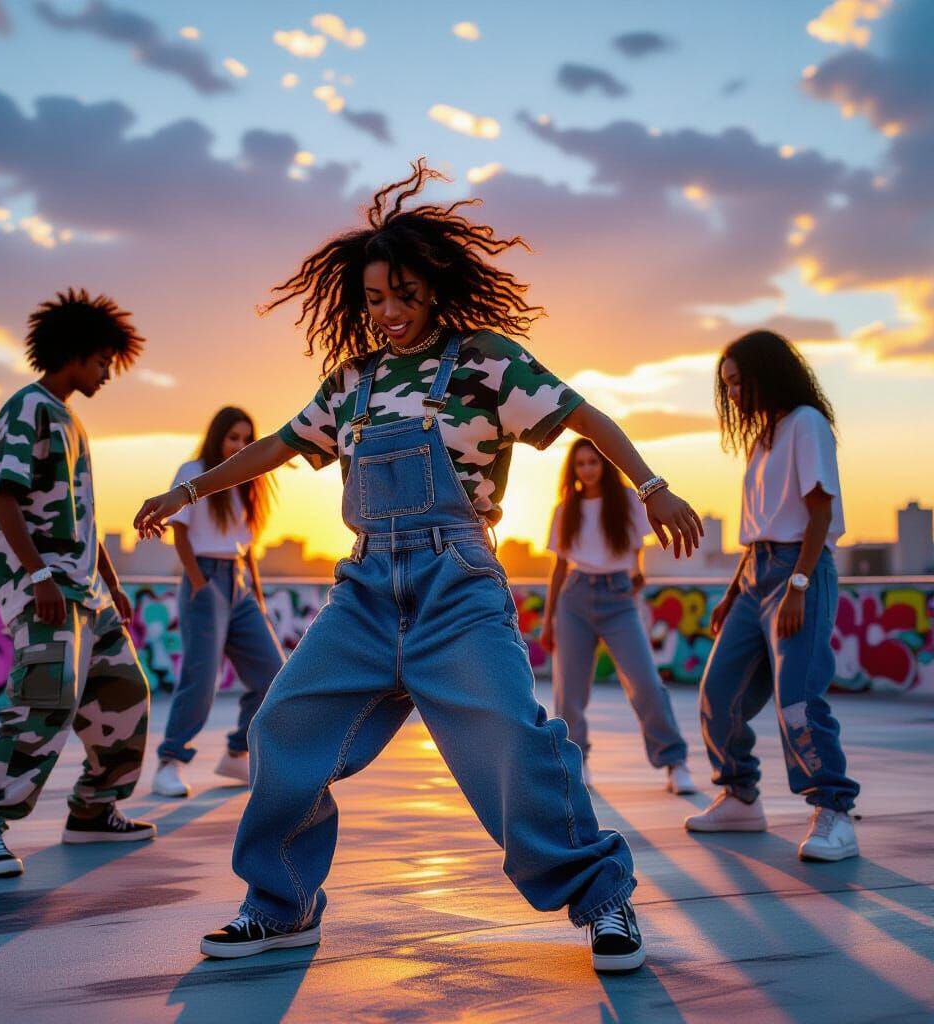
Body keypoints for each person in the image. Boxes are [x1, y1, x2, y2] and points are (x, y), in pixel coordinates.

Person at [134, 161, 703, 972]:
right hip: (364, 591)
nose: (388, 314)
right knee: (281, 726)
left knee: (512, 742)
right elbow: (278, 445)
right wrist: (188, 488)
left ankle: (603, 899)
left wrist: (651, 486)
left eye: (402, 295)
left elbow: (584, 414)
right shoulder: (353, 382)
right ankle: (282, 904)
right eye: (373, 300)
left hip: (456, 589)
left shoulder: (485, 361)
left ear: (433, 286)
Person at [0, 289, 155, 878]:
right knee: (45, 704)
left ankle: (93, 812)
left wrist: (112, 584)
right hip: (44, 589)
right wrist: (38, 572)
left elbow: (82, 519)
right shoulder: (29, 409)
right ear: (77, 354)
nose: (106, 376)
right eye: (103, 364)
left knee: (125, 696)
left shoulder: (71, 419)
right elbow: (3, 499)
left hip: (87, 592)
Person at [684, 330, 860, 862]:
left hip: (797, 570)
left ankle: (833, 811)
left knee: (798, 700)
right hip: (754, 573)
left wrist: (799, 586)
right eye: (727, 386)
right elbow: (759, 525)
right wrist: (732, 590)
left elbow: (820, 514)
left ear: (766, 372)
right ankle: (739, 796)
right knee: (718, 693)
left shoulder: (807, 423)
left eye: (738, 382)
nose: (732, 394)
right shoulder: (764, 437)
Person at [542, 438, 696, 794]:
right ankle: (577, 764)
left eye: (593, 462)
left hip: (618, 597)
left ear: (604, 464)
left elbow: (637, 549)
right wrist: (548, 619)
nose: (587, 469)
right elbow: (559, 567)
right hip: (574, 599)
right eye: (580, 464)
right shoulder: (565, 509)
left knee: (645, 683)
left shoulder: (628, 501)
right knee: (570, 694)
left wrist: (636, 574)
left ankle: (675, 762)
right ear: (573, 470)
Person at [152, 407, 285, 798]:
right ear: (217, 437)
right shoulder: (192, 471)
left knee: (272, 674)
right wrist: (199, 583)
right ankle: (170, 762)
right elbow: (179, 533)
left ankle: (236, 753)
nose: (240, 446)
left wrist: (255, 596)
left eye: (247, 439)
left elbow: (246, 547)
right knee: (201, 679)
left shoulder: (247, 482)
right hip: (204, 578)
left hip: (239, 583)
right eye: (233, 437)